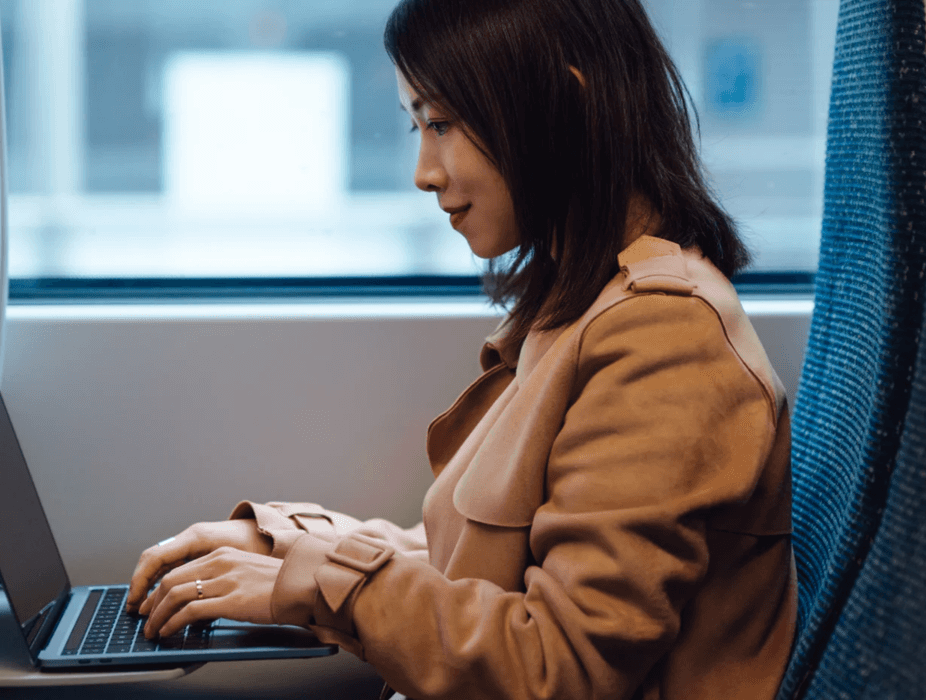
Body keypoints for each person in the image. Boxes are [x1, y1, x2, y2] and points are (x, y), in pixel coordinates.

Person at [126, 0, 795, 697]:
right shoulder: (584, 307)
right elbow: (475, 569)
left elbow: (559, 666)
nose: (424, 171)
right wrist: (289, 544)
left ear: (562, 108)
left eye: (441, 124)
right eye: (417, 126)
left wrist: (315, 583)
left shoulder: (664, 338)